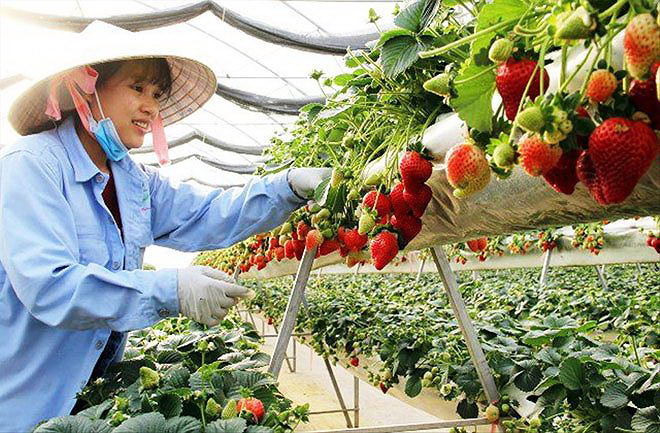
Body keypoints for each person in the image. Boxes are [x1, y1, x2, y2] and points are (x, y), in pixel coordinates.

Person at [0, 21, 329, 431]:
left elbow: (207, 214)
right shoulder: (31, 166)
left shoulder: (134, 182)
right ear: (83, 89)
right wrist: (170, 289)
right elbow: (49, 286)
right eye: (137, 88)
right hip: (21, 407)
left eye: (157, 95)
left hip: (91, 404)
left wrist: (287, 188)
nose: (151, 107)